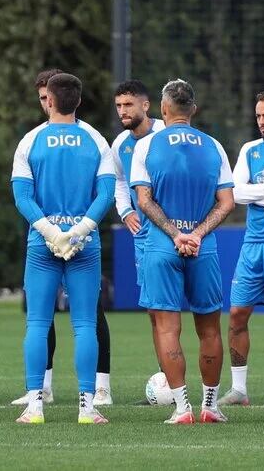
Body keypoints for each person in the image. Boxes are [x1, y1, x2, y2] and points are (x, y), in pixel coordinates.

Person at [11, 72, 117, 424]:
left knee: (38, 324)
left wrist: (51, 232)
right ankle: (87, 408)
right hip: (84, 244)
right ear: (78, 101)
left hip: (42, 243)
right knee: (85, 324)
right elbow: (105, 195)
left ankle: (35, 406)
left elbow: (22, 198)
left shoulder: (31, 140)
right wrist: (79, 230)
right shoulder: (96, 140)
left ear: (50, 100)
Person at [131, 79, 236, 424]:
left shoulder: (147, 146)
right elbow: (227, 202)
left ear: (163, 110)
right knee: (209, 329)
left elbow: (144, 201)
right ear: (193, 110)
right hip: (203, 247)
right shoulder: (214, 146)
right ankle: (211, 405)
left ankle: (181, 408)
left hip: (162, 245)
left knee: (167, 329)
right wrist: (197, 234)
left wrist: (176, 234)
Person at [219, 89, 264, 408]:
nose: (262, 121)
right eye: (259, 115)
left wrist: (260, 192)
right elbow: (236, 193)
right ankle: (239, 390)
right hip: (252, 246)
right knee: (236, 314)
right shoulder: (250, 150)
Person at [110, 78, 164, 403]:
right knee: (154, 311)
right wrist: (124, 211)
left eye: (128, 105)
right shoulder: (120, 144)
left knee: (188, 312)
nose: (123, 112)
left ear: (146, 105)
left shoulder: (164, 137)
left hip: (174, 232)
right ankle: (168, 381)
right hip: (143, 236)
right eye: (118, 106)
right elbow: (119, 180)